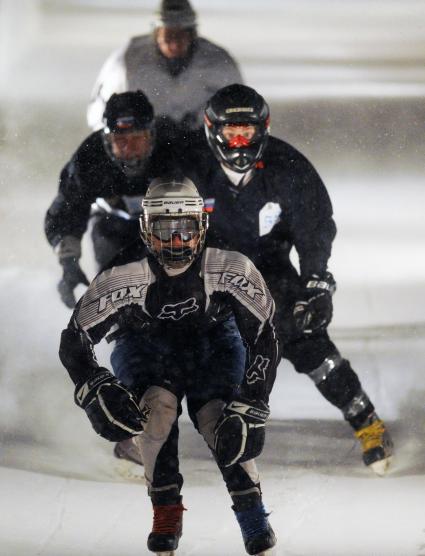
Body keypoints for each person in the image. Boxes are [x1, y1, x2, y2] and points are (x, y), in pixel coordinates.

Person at [58, 177, 280, 555]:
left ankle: (253, 515)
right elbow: (74, 339)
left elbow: (264, 336)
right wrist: (92, 386)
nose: (177, 241)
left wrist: (253, 401)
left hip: (214, 343)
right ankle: (165, 511)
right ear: (146, 229)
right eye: (165, 229)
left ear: (202, 227)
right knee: (155, 412)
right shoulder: (123, 274)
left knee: (222, 418)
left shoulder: (229, 265)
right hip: (143, 343)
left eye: (185, 229)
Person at [181, 83, 394, 476]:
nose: (241, 142)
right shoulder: (188, 166)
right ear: (213, 131)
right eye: (232, 133)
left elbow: (314, 228)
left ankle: (366, 420)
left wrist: (316, 283)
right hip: (205, 271)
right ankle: (143, 432)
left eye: (248, 132)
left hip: (270, 266)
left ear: (263, 130)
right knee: (174, 344)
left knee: (305, 334)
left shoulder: (288, 166)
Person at [45, 90, 176, 308]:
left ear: (152, 135)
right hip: (113, 226)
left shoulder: (176, 146)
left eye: (137, 139)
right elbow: (67, 210)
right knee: (118, 295)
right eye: (120, 140)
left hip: (174, 226)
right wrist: (69, 263)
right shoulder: (90, 158)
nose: (129, 149)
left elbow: (216, 196)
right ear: (107, 140)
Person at [86, 0, 243, 135]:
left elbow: (241, 110)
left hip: (204, 144)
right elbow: (99, 111)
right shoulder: (126, 62)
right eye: (168, 36)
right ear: (156, 35)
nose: (174, 43)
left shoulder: (219, 63)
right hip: (142, 145)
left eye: (180, 35)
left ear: (192, 35)